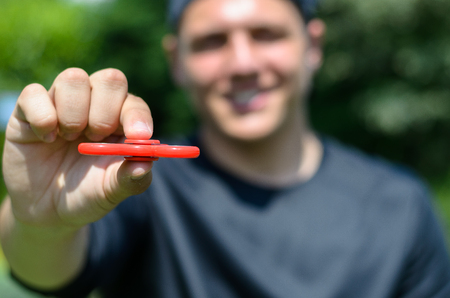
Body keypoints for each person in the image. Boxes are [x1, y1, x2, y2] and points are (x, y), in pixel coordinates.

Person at [1, 0, 450, 297]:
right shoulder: (135, 183)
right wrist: (40, 223)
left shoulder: (399, 206)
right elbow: (46, 269)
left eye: (267, 34)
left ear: (312, 46)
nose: (242, 64)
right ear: (176, 61)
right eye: (212, 42)